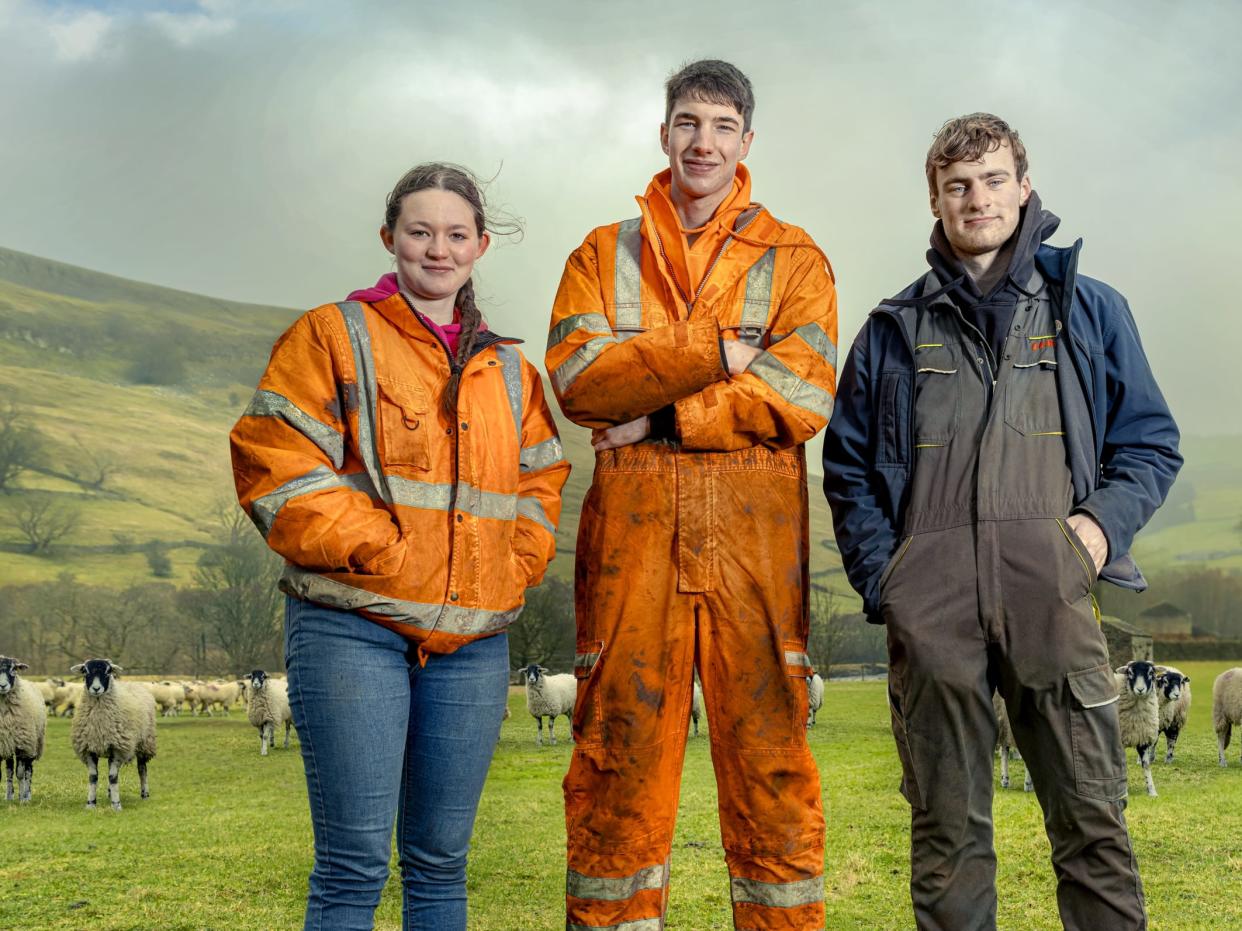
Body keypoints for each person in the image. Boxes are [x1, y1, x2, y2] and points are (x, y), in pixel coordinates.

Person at [823, 114, 1182, 931]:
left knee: (1093, 824)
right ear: (935, 200)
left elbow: (1150, 443)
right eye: (957, 185)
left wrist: (1091, 535)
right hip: (933, 612)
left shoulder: (1089, 310)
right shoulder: (891, 330)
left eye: (991, 180)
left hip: (1053, 598)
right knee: (948, 838)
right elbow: (846, 470)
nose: (975, 199)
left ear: (1024, 186)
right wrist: (893, 579)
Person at [230, 163, 569, 931]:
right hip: (353, 624)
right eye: (420, 232)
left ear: (481, 245)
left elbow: (542, 479)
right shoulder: (332, 335)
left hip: (473, 641)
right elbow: (274, 462)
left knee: (441, 864)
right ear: (390, 238)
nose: (437, 249)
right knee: (353, 867)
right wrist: (385, 550)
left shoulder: (512, 370)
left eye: (455, 235)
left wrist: (511, 566)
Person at [546, 60, 837, 931]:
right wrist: (720, 348)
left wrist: (663, 416)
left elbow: (803, 397)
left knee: (774, 775)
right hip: (632, 554)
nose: (702, 141)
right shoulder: (600, 255)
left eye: (720, 124)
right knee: (615, 769)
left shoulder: (797, 259)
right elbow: (580, 382)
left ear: (747, 142)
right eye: (686, 122)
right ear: (663, 134)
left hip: (756, 556)